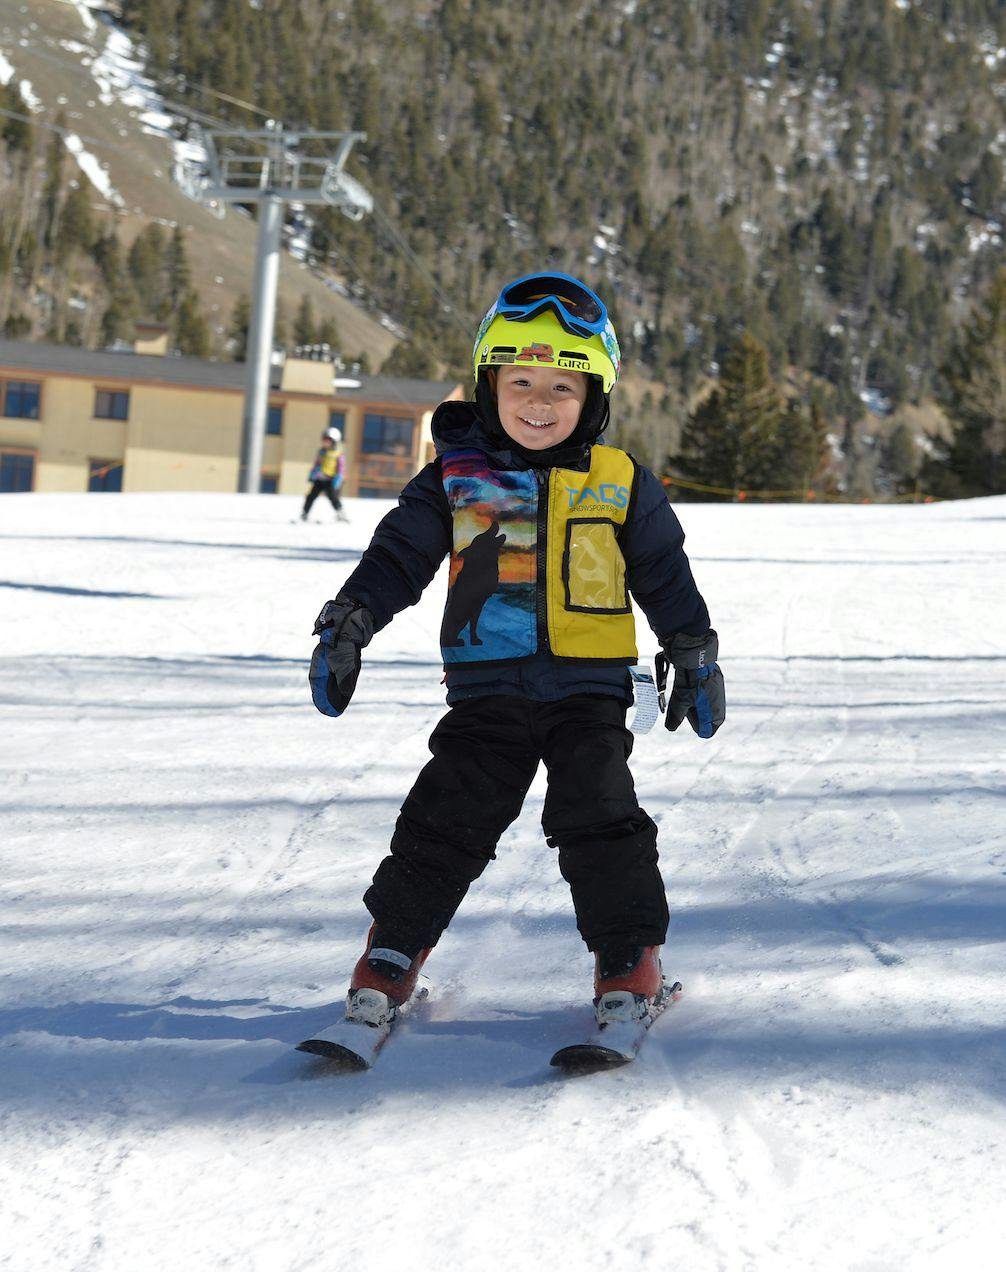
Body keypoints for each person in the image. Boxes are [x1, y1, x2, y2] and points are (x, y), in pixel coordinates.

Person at [308, 272, 725, 1033]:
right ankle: (393, 948)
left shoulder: (621, 481)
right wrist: (350, 620)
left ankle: (628, 955)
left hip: (588, 691)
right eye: (521, 381)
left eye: (564, 388)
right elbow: (399, 556)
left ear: (595, 396)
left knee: (599, 812)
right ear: (489, 384)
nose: (539, 402)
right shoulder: (457, 479)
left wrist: (692, 648)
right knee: (447, 813)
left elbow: (665, 572)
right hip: (487, 689)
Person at [301, 428, 348, 522]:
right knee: (311, 496)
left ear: (334, 442)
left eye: (328, 441)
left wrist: (338, 479)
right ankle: (305, 513)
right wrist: (312, 474)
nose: (325, 443)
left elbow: (341, 468)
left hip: (330, 480)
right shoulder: (321, 452)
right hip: (319, 479)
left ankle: (340, 513)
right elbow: (317, 464)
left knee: (333, 497)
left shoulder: (338, 454)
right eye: (324, 441)